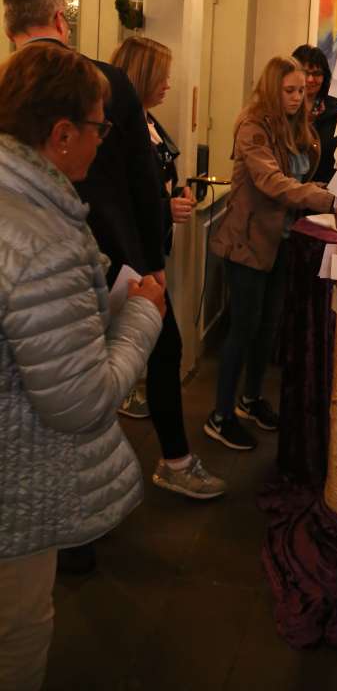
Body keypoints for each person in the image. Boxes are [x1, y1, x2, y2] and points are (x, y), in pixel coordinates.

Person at [0, 42, 165, 691]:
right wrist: (144, 315)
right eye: (99, 126)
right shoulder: (40, 240)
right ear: (62, 134)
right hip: (11, 493)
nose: (104, 140)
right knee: (17, 628)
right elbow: (80, 402)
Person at [110, 36, 226, 500]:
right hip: (131, 262)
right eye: (162, 75)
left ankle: (166, 457)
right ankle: (173, 461)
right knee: (166, 348)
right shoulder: (120, 125)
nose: (168, 84)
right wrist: (163, 208)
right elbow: (124, 197)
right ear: (140, 75)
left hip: (145, 255)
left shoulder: (145, 121)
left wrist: (171, 201)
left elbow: (152, 183)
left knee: (159, 350)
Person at [206, 55, 334, 450]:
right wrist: (326, 199)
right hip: (247, 241)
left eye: (302, 90)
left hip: (280, 239)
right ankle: (220, 415)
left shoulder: (295, 125)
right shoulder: (253, 125)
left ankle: (250, 398)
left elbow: (304, 168)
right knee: (242, 329)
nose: (299, 97)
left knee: (267, 327)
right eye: (290, 90)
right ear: (271, 88)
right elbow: (271, 181)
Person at [292, 44, 337, 183]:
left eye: (316, 74)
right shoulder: (284, 109)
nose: (310, 79)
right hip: (286, 193)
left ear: (325, 76)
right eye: (305, 73)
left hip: (323, 192)